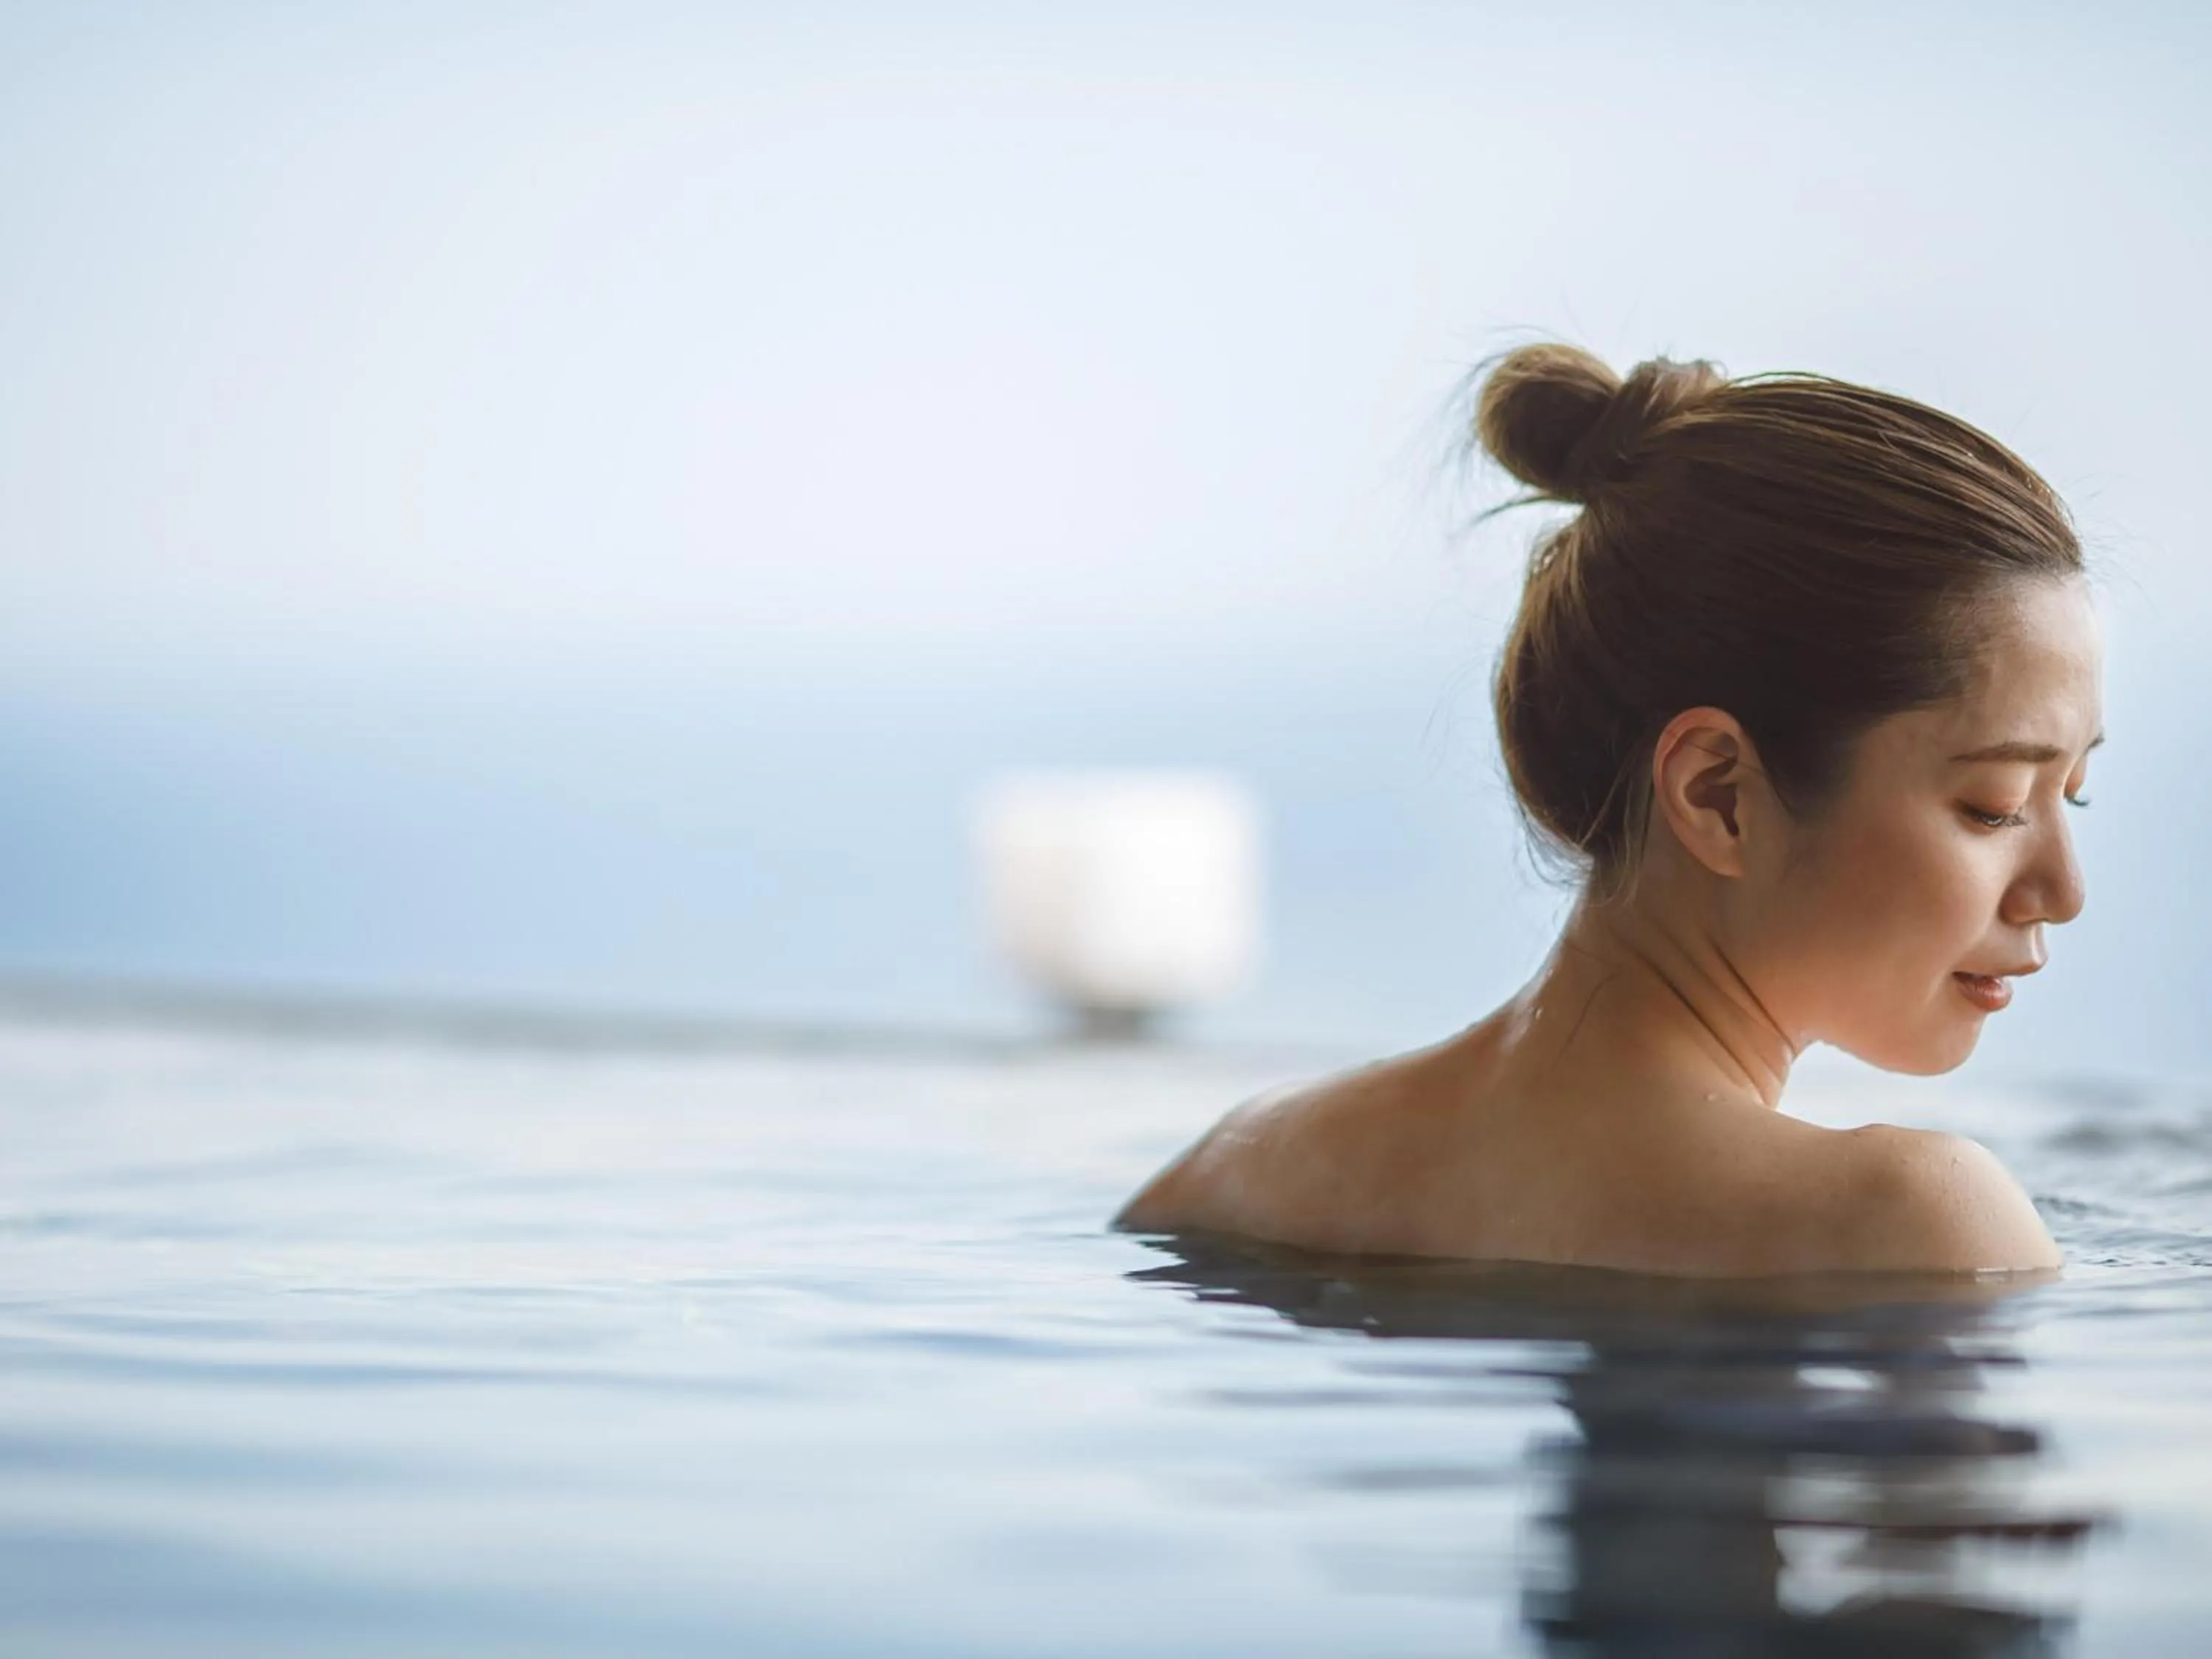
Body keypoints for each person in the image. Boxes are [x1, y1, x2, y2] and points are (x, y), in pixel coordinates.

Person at [1115, 342, 2099, 1276]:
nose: (2063, 891)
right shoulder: (1918, 1221)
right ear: (1719, 795)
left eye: (2074, 794)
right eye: (1994, 805)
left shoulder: (1239, 1173)